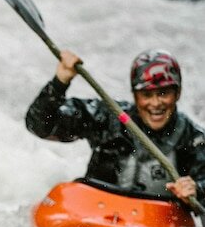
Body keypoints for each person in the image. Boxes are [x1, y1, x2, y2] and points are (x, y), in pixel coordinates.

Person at [25, 48, 205, 205]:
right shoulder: (107, 116)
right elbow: (39, 126)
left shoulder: (193, 138)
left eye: (164, 93)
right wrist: (59, 82)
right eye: (146, 94)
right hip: (98, 211)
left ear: (178, 93)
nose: (156, 103)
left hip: (155, 226)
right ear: (135, 95)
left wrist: (196, 189)